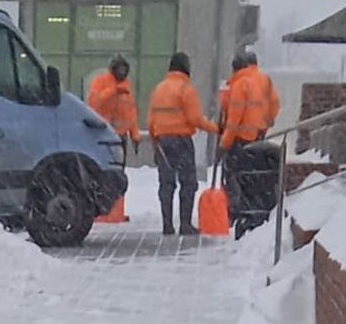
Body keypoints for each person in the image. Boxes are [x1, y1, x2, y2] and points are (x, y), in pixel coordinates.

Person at [147, 52, 219, 236]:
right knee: (188, 183)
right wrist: (215, 128)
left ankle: (167, 225)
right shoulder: (186, 89)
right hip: (181, 141)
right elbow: (195, 118)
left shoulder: (159, 89)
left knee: (166, 183)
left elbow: (150, 120)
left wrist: (155, 141)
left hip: (162, 140)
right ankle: (185, 225)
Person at [220, 51, 281, 218]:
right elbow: (275, 105)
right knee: (257, 177)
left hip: (241, 139)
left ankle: (237, 213)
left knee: (236, 176)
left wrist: (224, 144)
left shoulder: (240, 83)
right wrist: (265, 124)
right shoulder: (265, 80)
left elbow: (233, 120)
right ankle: (257, 210)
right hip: (258, 138)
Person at [87, 56, 142, 155]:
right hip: (103, 133)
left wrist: (135, 135)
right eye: (119, 69)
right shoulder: (100, 81)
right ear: (113, 69)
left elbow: (131, 113)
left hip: (121, 136)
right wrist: (114, 91)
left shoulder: (126, 86)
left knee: (119, 165)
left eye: (124, 69)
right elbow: (94, 102)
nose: (122, 72)